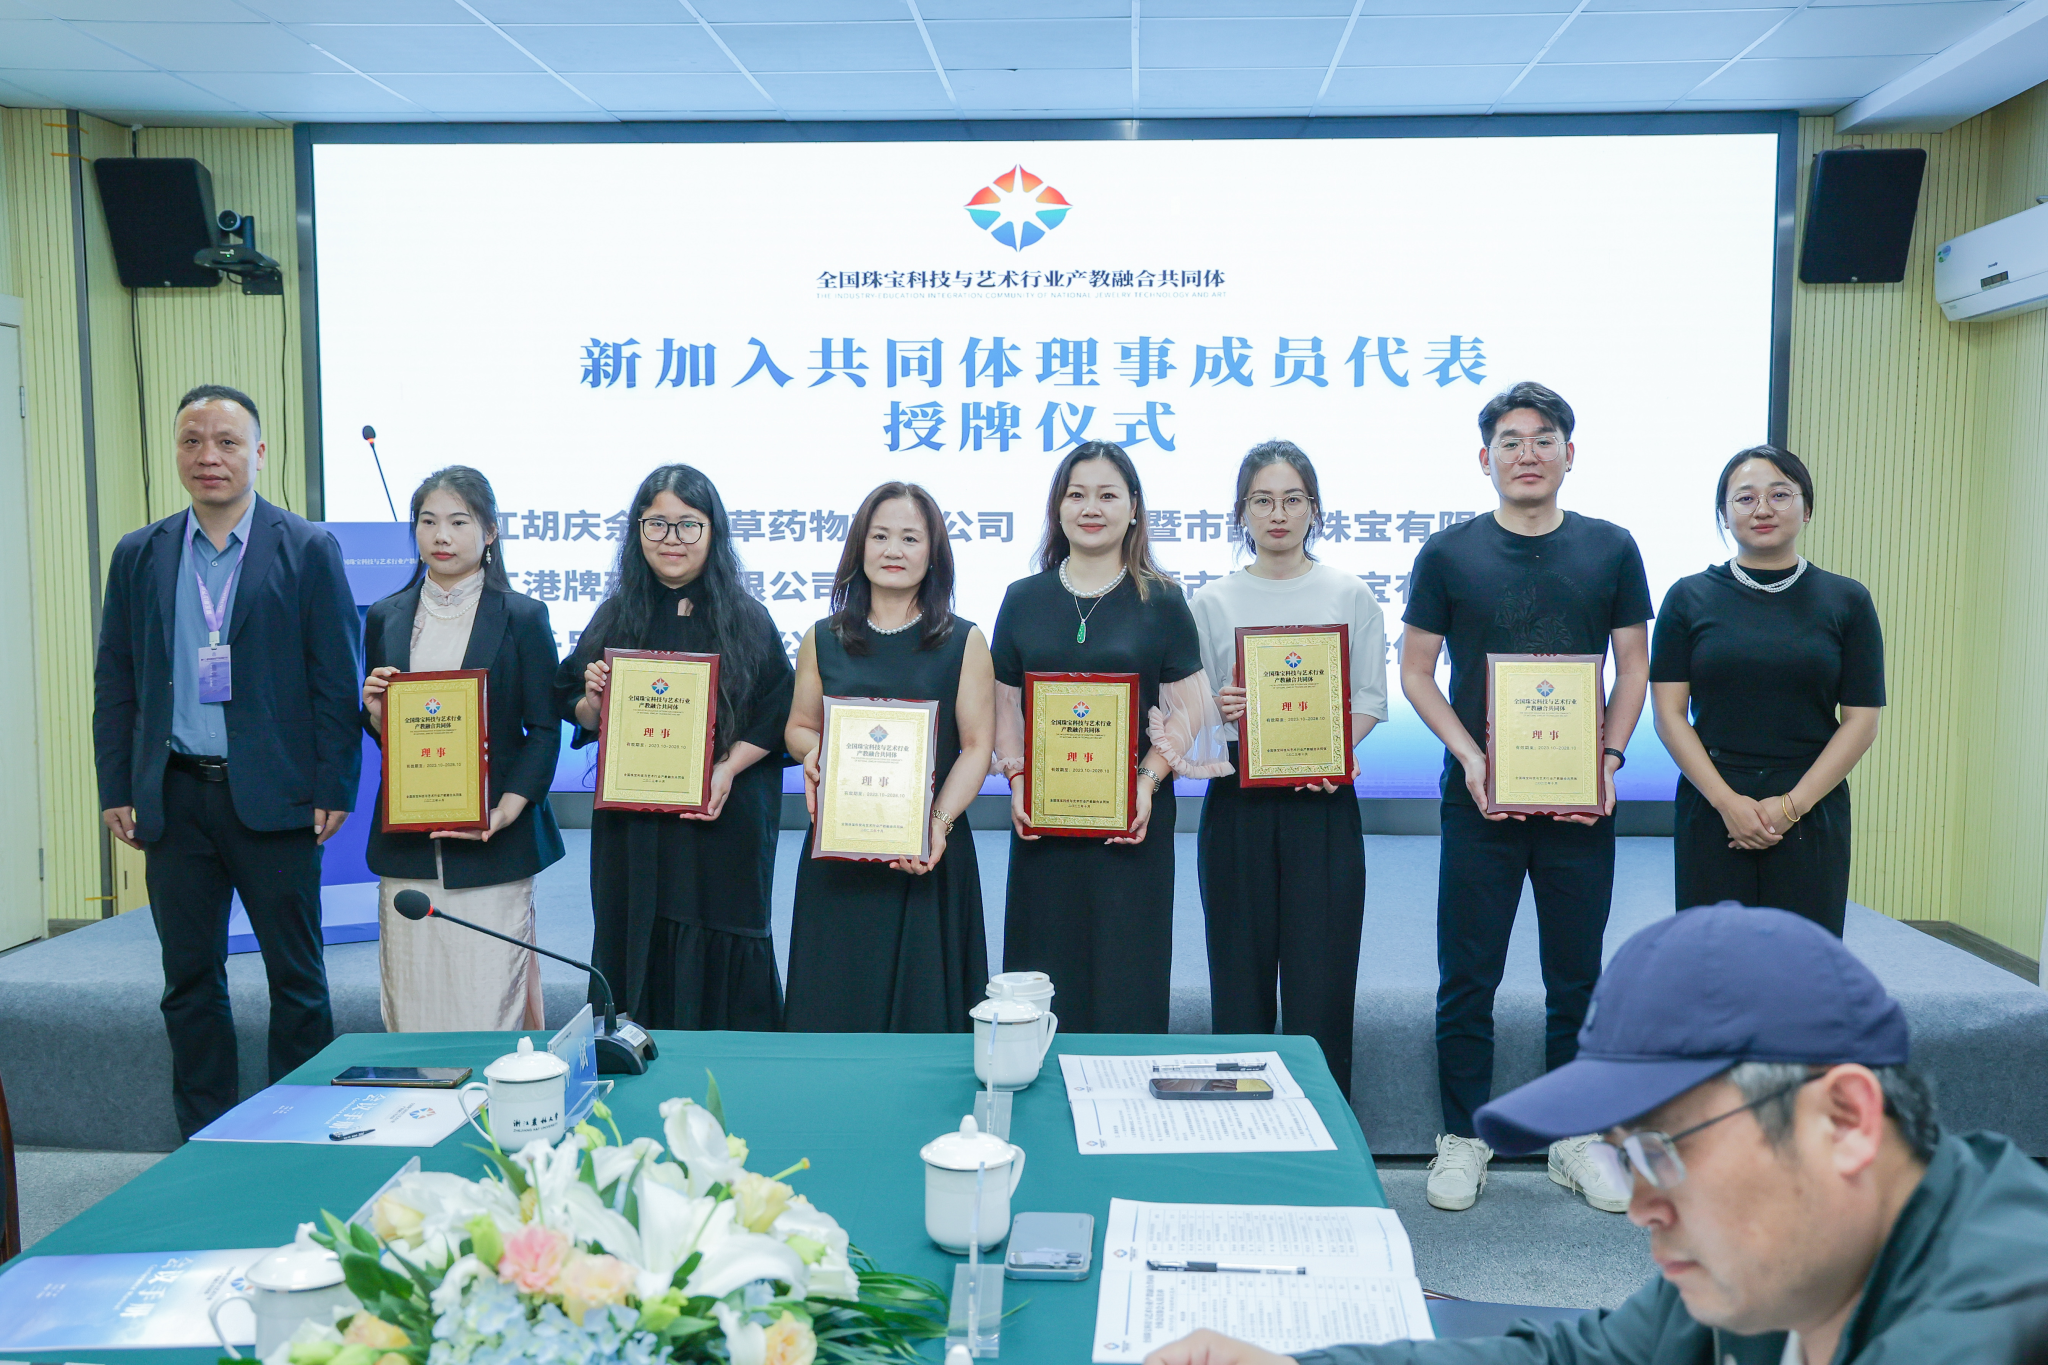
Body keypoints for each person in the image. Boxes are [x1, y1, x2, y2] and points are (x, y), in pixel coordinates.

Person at [1141, 903, 2048, 1365]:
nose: (1642, 1205)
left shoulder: (1998, 1319)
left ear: (1844, 1119)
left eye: (1665, 1149)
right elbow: (1574, 1357)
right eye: (1623, 1153)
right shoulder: (1778, 1258)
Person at [1399, 381, 1651, 1214]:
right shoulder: (1449, 553)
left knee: (1576, 974)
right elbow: (1416, 670)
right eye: (1510, 440)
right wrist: (1470, 755)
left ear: (1569, 454)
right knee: (1467, 972)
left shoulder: (1611, 548)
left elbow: (1632, 666)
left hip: (1581, 801)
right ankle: (1463, 1135)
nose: (1528, 453)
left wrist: (1609, 756)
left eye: (1544, 438)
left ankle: (1573, 1137)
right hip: (1479, 798)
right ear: (1486, 458)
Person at [93, 384, 362, 1140]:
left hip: (276, 796)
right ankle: (205, 1134)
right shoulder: (140, 552)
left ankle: (301, 1129)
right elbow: (116, 679)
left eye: (226, 442)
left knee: (297, 978)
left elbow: (335, 678)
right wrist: (116, 784)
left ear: (259, 452)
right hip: (175, 795)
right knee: (188, 980)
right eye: (192, 441)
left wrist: (335, 783)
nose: (207, 456)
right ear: (177, 451)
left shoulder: (306, 547)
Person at [989, 441, 1231, 1033]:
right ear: (1058, 507)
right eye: (1077, 495)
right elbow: (1005, 705)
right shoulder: (1023, 599)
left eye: (1107, 495)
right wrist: (1017, 778)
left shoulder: (1162, 599)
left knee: (1128, 975)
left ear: (1134, 507)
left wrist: (1147, 780)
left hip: (1132, 823)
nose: (1090, 508)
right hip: (1044, 823)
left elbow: (1188, 707)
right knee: (1042, 976)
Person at [555, 464, 793, 1031]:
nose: (672, 539)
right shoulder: (617, 614)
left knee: (720, 943)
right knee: (635, 934)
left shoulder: (747, 618)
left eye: (689, 525)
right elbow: (574, 703)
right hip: (636, 829)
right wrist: (593, 701)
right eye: (656, 524)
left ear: (713, 531)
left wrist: (727, 768)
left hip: (722, 819)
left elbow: (779, 710)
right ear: (637, 531)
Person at [1190, 441, 1388, 1098]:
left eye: (1292, 499)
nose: (1278, 514)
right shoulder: (1212, 601)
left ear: (1314, 509)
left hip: (1323, 804)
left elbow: (1369, 699)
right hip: (1237, 803)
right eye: (1262, 500)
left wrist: (1333, 752)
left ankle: (1324, 1128)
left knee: (1321, 985)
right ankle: (1239, 1128)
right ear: (1241, 512)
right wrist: (1218, 707)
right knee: (1238, 982)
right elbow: (1192, 710)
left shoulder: (1348, 593)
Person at [783, 483, 995, 1032]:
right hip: (839, 851)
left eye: (910, 538)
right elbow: (799, 728)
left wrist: (938, 823)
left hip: (927, 853)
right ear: (859, 547)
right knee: (834, 1007)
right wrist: (816, 752)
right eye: (880, 536)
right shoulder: (822, 638)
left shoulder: (964, 640)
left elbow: (977, 746)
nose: (893, 550)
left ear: (933, 552)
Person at [360, 467, 565, 1031]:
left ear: (490, 532)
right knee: (413, 1001)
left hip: (493, 844)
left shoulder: (522, 616)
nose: (441, 536)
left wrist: (507, 810)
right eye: (428, 522)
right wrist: (375, 714)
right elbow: (390, 732)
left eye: (458, 522)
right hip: (408, 845)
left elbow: (545, 729)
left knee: (486, 1002)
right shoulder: (385, 615)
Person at [1651, 446, 1882, 938]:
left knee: (1804, 965)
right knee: (1713, 962)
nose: (1762, 509)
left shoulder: (1847, 601)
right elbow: (1669, 715)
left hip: (1811, 803)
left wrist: (1791, 806)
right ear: (1724, 513)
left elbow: (1862, 722)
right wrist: (1727, 803)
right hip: (1712, 802)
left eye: (1780, 495)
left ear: (1807, 508)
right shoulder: (1688, 598)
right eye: (1745, 498)